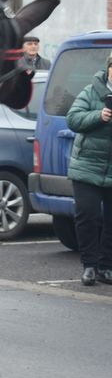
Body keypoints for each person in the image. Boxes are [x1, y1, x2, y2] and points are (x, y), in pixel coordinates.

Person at [65, 53, 112, 286]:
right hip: (87, 167)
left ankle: (106, 267)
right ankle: (90, 267)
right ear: (109, 68)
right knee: (87, 216)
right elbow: (72, 119)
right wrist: (99, 116)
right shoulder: (92, 91)